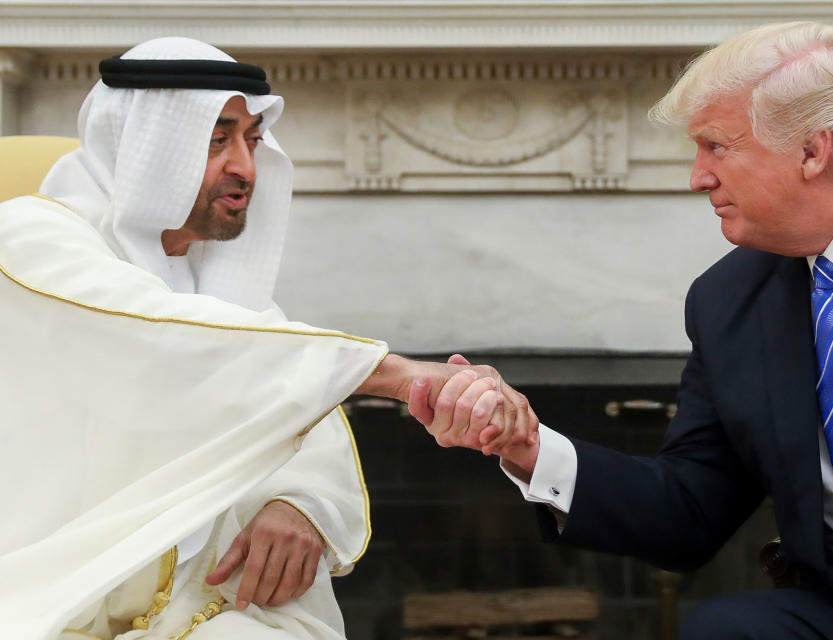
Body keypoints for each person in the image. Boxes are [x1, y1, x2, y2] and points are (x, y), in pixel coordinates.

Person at [411, 21, 833, 640]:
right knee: (727, 629)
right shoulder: (729, 302)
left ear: (814, 150)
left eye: (717, 147)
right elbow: (689, 508)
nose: (697, 177)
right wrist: (526, 444)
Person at [0, 37, 535, 640]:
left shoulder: (225, 299)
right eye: (216, 140)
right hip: (58, 597)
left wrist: (298, 502)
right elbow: (168, 343)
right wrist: (406, 376)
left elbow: (307, 412)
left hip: (196, 605)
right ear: (140, 147)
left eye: (253, 140)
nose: (245, 167)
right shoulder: (29, 239)